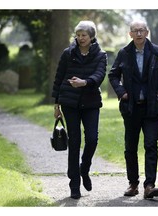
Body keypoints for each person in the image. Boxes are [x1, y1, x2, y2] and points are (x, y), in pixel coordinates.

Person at [108, 19, 158, 199]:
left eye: (141, 30)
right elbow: (113, 74)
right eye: (135, 31)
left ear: (147, 32)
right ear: (130, 34)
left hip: (152, 108)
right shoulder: (124, 53)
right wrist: (121, 91)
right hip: (131, 108)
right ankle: (133, 184)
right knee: (130, 147)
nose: (139, 34)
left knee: (150, 145)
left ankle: (150, 186)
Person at [52, 20, 107, 199]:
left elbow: (99, 76)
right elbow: (59, 77)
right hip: (70, 103)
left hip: (90, 103)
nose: (80, 38)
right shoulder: (68, 54)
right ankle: (74, 184)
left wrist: (85, 82)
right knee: (74, 142)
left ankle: (84, 169)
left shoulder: (101, 55)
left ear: (92, 37)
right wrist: (56, 104)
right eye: (78, 35)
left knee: (92, 139)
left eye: (84, 35)